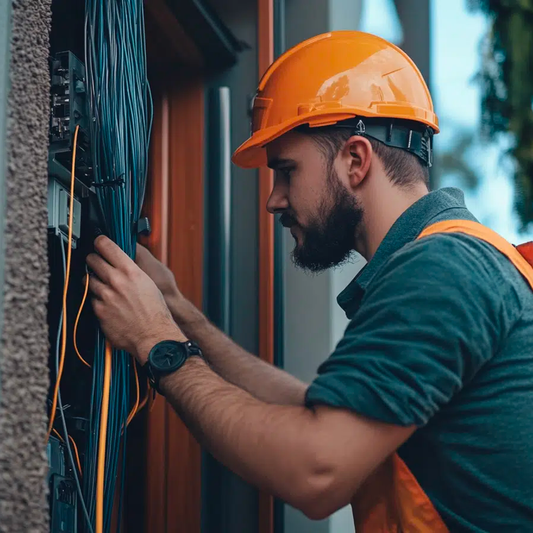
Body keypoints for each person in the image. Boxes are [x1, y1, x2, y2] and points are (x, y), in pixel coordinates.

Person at [86, 31, 533, 531]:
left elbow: (316, 468)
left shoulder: (443, 268)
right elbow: (311, 414)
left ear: (356, 160)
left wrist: (156, 343)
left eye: (286, 171)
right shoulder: (449, 261)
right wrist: (178, 314)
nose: (274, 199)